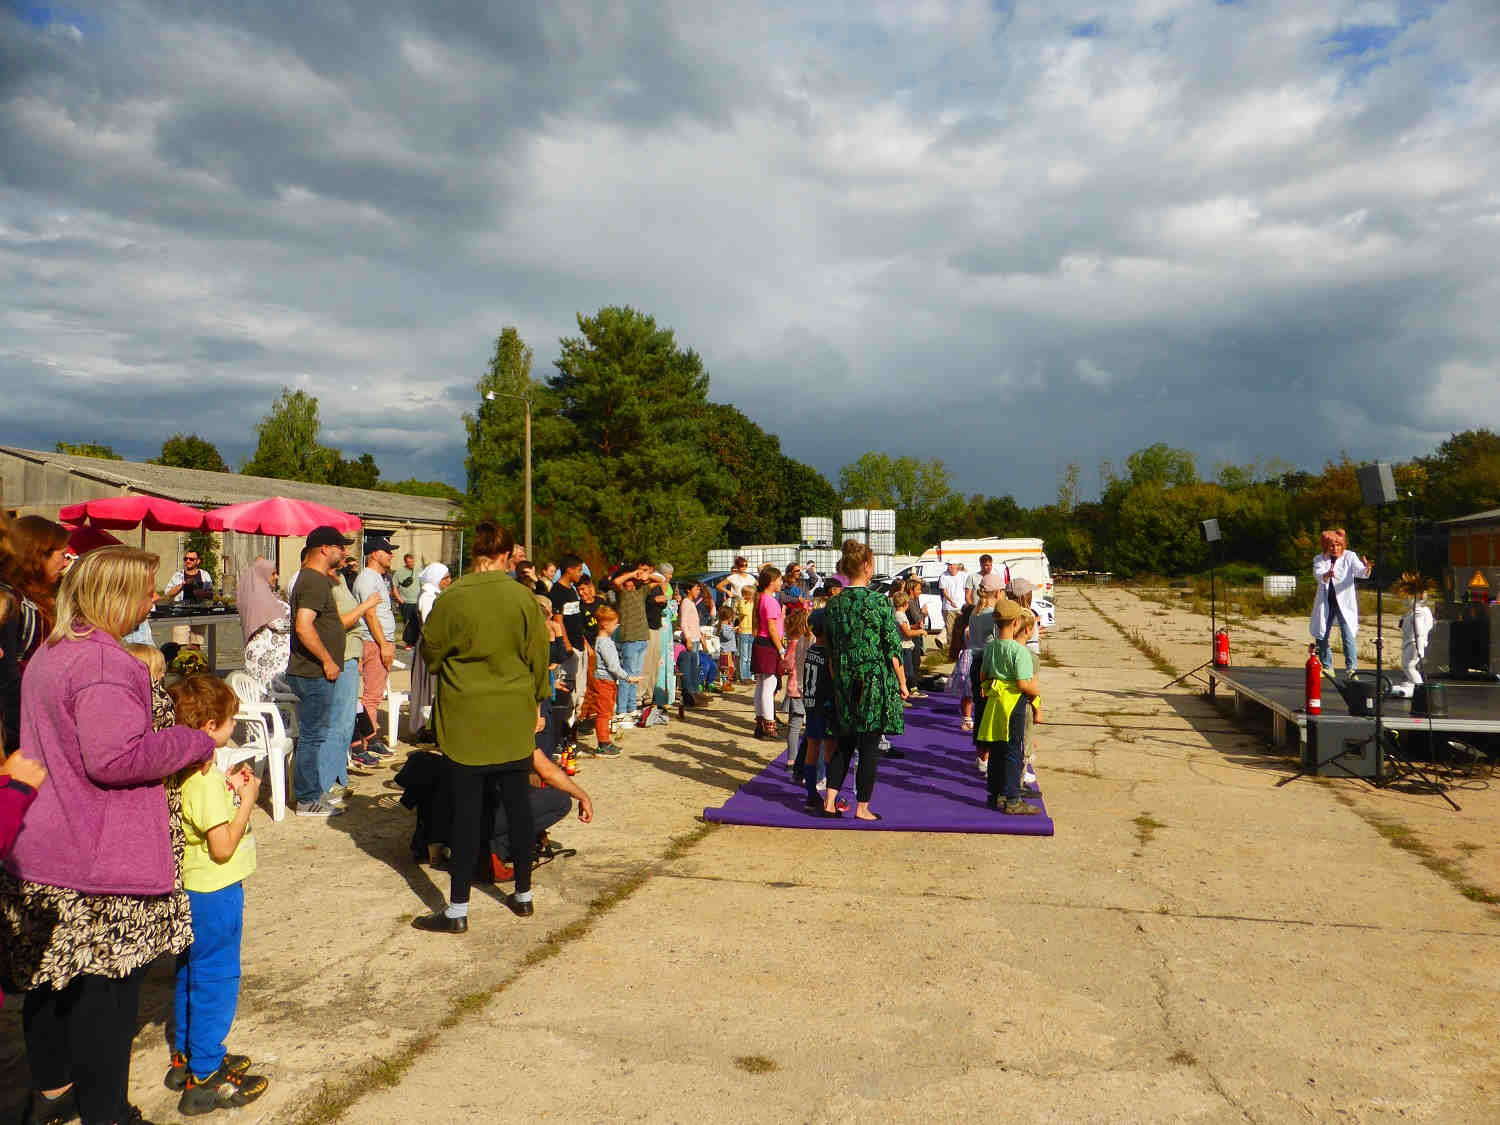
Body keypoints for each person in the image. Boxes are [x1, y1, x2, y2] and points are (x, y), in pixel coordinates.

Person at [0, 546, 215, 1125]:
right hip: (100, 859)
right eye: (146, 590)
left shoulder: (51, 651)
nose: (153, 599)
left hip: (44, 844)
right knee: (107, 1000)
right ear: (115, 594)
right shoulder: (105, 664)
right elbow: (115, 758)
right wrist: (194, 741)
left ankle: (50, 1094)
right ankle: (106, 1113)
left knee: (50, 984)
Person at [413, 520, 552, 932]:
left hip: (465, 718)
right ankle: (523, 896)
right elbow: (538, 655)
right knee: (519, 805)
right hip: (512, 714)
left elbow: (430, 652)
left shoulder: (451, 597)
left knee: (466, 814)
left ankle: (457, 911)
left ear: (474, 554)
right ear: (507, 556)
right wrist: (536, 699)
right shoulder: (523, 597)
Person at [165, 674, 271, 1114]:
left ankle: (186, 1056)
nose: (233, 726)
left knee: (190, 972)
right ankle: (206, 1076)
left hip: (190, 887)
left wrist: (225, 783)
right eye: (228, 721)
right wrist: (248, 797)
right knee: (217, 978)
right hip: (216, 889)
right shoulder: (204, 781)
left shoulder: (186, 769)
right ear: (210, 726)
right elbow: (222, 846)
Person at [821, 541, 907, 822]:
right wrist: (903, 683)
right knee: (869, 747)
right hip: (873, 680)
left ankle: (830, 801)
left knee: (843, 742)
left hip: (844, 678)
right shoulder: (879, 601)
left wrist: (838, 679)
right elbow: (892, 648)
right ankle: (862, 807)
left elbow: (831, 649)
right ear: (868, 567)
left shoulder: (833, 604)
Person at [286, 526, 358, 819]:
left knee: (314, 734)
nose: (345, 553)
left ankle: (313, 792)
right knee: (314, 736)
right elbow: (304, 626)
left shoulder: (312, 579)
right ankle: (307, 799)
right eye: (341, 547)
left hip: (313, 672)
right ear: (325, 549)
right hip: (314, 673)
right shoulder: (314, 581)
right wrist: (328, 660)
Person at [0, 515, 70, 751]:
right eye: (62, 555)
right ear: (39, 554)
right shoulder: (12, 603)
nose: (65, 563)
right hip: (17, 733)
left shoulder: (33, 601)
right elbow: (9, 677)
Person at [975, 603, 1044, 816]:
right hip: (1013, 704)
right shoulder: (1019, 652)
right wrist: (1036, 693)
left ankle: (995, 794)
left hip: (994, 704)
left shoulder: (991, 648)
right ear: (1016, 623)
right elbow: (1024, 684)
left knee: (995, 749)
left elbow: (983, 676)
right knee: (1014, 749)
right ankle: (1013, 799)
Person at [353, 535, 400, 753]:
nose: (391, 554)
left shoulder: (378, 577)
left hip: (379, 641)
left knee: (374, 694)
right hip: (374, 642)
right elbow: (370, 615)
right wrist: (385, 645)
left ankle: (368, 739)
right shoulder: (367, 579)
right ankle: (367, 742)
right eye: (387, 550)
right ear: (374, 553)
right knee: (372, 696)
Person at [1309, 529, 1372, 676]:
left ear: (1342, 545)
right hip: (1326, 602)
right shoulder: (1319, 559)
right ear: (1326, 546)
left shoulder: (1349, 556)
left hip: (1344, 603)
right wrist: (1326, 575)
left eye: (1338, 545)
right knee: (1321, 635)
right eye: (1331, 546)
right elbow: (1318, 575)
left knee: (1347, 635)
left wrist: (1366, 568)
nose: (1335, 549)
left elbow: (1359, 572)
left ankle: (1352, 669)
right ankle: (1327, 667)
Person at [586, 606, 640, 757]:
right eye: (614, 623)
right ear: (604, 624)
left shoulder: (605, 641)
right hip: (604, 681)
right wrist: (629, 678)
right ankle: (603, 744)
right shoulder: (604, 643)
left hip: (607, 680)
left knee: (607, 711)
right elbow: (613, 666)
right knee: (604, 713)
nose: (616, 627)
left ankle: (606, 741)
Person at [406, 563, 451, 743]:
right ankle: (424, 728)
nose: (449, 581)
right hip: (429, 648)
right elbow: (430, 625)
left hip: (434, 647)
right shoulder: (428, 597)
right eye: (445, 578)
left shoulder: (435, 595)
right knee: (427, 689)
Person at [238, 558, 291, 699]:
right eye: (273, 574)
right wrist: (303, 620)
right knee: (267, 694)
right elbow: (278, 623)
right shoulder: (260, 598)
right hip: (266, 658)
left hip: (265, 656)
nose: (276, 577)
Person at [751, 566, 786, 740]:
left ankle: (760, 724)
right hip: (769, 644)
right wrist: (780, 648)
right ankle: (769, 725)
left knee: (761, 685)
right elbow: (772, 628)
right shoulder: (770, 601)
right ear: (771, 582)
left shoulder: (762, 598)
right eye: (779, 579)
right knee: (769, 685)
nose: (781, 582)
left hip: (761, 643)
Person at [613, 565, 651, 718]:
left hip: (643, 639)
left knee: (635, 675)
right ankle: (622, 710)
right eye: (627, 581)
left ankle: (631, 707)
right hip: (629, 639)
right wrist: (632, 573)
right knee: (626, 676)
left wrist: (643, 575)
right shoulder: (621, 594)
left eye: (632, 581)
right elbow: (616, 582)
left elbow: (660, 579)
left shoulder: (641, 592)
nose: (629, 583)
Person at [165, 545, 216, 647]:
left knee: (196, 645)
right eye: (186, 558)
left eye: (191, 559)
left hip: (199, 612)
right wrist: (183, 584)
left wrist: (201, 593)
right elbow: (168, 593)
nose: (188, 561)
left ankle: (195, 662)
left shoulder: (204, 575)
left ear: (198, 561)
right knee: (179, 645)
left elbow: (211, 594)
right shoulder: (178, 575)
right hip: (181, 613)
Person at [781, 606, 812, 768]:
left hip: (795, 689)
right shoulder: (810, 641)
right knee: (810, 728)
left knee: (794, 726)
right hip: (808, 688)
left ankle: (791, 759)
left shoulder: (793, 643)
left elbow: (787, 663)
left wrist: (782, 663)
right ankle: (804, 759)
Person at [1397, 573, 1436, 685]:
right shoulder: (1413, 612)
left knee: (1408, 666)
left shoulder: (1419, 613)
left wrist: (1419, 647)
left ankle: (1419, 686)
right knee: (1407, 666)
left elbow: (1419, 631)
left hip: (1414, 643)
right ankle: (1413, 683)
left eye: (1407, 597)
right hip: (1410, 643)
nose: (1405, 600)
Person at [392, 553, 419, 640]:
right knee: (407, 623)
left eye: (412, 562)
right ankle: (408, 642)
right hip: (406, 602)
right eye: (409, 562)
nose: (411, 564)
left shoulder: (419, 570)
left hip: (417, 601)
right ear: (405, 562)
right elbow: (394, 587)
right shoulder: (399, 573)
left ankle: (415, 640)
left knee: (417, 622)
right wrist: (399, 599)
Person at [939, 561, 966, 642]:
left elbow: (967, 589)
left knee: (962, 630)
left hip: (961, 607)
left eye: (951, 565)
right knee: (950, 631)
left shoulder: (963, 575)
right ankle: (950, 649)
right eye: (948, 565)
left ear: (956, 566)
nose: (949, 567)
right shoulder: (943, 576)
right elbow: (944, 591)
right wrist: (951, 601)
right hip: (948, 608)